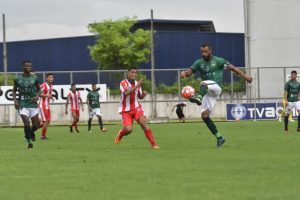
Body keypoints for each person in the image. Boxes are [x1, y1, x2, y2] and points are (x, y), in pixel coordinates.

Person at [180, 43, 252, 147]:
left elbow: (233, 68)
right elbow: (190, 71)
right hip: (209, 92)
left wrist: (245, 76)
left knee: (203, 83)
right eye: (202, 52)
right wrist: (185, 73)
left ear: (210, 51)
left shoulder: (218, 61)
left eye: (205, 51)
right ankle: (219, 138)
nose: (203, 54)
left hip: (216, 87)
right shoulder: (199, 63)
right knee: (204, 116)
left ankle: (199, 98)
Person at [114, 67, 159, 149]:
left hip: (136, 108)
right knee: (128, 130)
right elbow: (126, 93)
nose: (134, 74)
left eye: (135, 73)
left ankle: (153, 144)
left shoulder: (137, 84)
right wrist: (137, 85)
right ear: (128, 73)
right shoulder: (123, 83)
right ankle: (121, 133)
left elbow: (139, 96)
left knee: (143, 123)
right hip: (126, 110)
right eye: (132, 72)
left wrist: (143, 95)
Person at [12, 60, 41, 148]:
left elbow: (39, 90)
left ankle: (31, 133)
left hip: (33, 104)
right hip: (23, 104)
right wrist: (15, 101)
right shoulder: (18, 79)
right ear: (23, 67)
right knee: (26, 124)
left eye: (30, 66)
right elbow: (14, 91)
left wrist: (36, 96)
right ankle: (29, 142)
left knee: (36, 126)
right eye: (27, 66)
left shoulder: (34, 78)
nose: (29, 68)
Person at [38, 73, 54, 139]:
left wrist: (50, 97)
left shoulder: (51, 86)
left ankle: (32, 129)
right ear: (46, 78)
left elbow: (48, 95)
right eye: (50, 77)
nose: (51, 79)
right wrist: (47, 95)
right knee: (45, 121)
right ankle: (43, 136)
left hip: (47, 106)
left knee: (48, 121)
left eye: (52, 77)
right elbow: (38, 94)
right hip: (42, 105)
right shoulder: (43, 85)